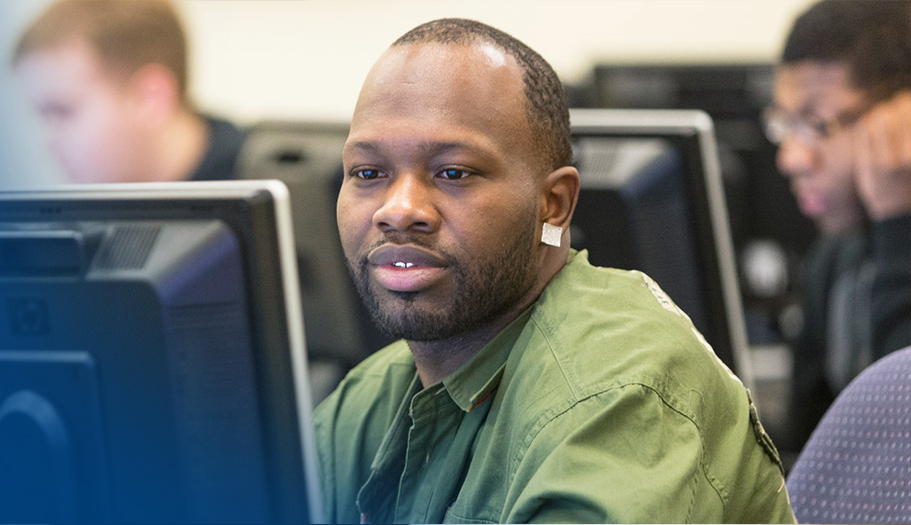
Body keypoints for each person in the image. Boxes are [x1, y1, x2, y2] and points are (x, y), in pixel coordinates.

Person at [312, 18, 795, 523]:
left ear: (555, 204)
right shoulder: (368, 399)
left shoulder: (618, 395)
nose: (398, 209)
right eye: (368, 173)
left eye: (453, 172)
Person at [763, 0, 911, 454]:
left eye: (815, 124)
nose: (791, 158)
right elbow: (806, 450)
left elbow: (901, 439)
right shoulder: (835, 258)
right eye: (785, 124)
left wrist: (899, 223)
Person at [12, 0, 242, 184]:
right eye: (43, 116)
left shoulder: (261, 198)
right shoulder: (82, 219)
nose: (49, 143)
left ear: (150, 98)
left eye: (63, 111)